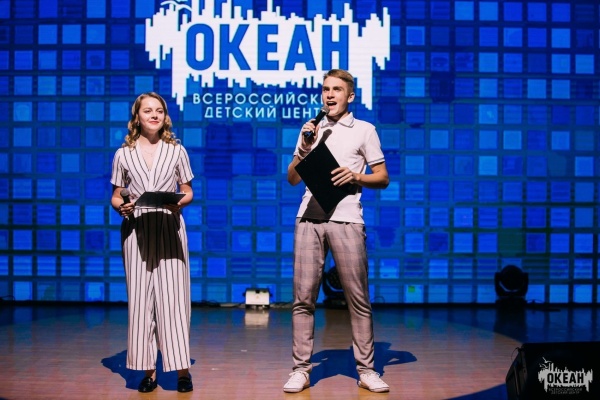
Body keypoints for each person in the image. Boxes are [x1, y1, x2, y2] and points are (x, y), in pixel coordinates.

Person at [283, 69, 391, 393]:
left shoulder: (364, 130)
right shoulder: (311, 129)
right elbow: (292, 178)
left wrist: (356, 176)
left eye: (337, 90)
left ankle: (367, 370)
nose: (329, 95)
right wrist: (305, 147)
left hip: (347, 219)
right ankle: (301, 370)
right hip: (309, 218)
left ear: (350, 96)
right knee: (303, 298)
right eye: (325, 89)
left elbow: (383, 177)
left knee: (358, 298)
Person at [110, 92, 195, 393]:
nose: (154, 115)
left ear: (165, 116)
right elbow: (116, 195)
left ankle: (182, 371)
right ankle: (149, 372)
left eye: (159, 110)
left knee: (174, 302)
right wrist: (121, 206)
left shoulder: (176, 150)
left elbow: (187, 190)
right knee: (141, 303)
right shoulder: (124, 154)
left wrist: (179, 202)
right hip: (137, 232)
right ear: (137, 117)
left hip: (169, 228)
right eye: (148, 111)